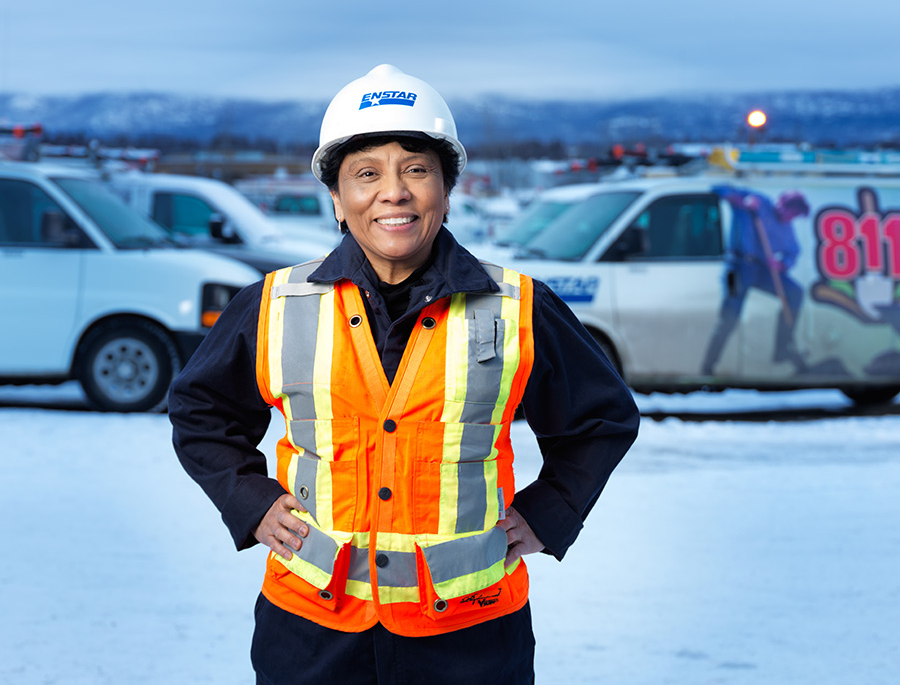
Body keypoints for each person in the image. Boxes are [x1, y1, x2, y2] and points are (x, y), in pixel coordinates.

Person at [169, 64, 639, 684]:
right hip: (311, 629)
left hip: (470, 635)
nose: (393, 191)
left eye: (416, 169)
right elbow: (201, 412)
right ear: (336, 197)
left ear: (447, 191)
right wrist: (250, 502)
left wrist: (552, 510)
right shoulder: (275, 306)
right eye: (366, 174)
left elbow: (602, 419)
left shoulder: (518, 306)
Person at [701, 185, 810, 376]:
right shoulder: (759, 201)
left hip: (762, 270)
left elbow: (793, 252)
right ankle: (708, 366)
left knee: (795, 292)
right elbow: (718, 188)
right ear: (782, 204)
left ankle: (782, 348)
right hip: (737, 267)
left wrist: (782, 264)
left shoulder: (786, 228)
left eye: (794, 217)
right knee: (729, 315)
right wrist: (743, 203)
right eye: (790, 214)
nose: (789, 219)